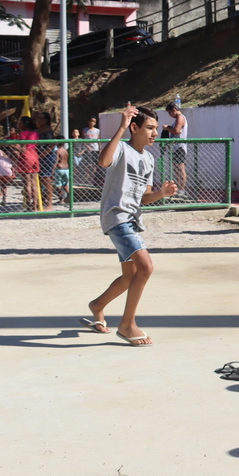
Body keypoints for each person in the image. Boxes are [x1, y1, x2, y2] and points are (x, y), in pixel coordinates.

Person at [84, 103, 178, 346]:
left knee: (131, 275)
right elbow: (103, 161)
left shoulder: (148, 158)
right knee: (146, 267)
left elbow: (144, 197)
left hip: (133, 219)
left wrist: (161, 193)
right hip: (117, 217)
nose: (154, 133)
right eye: (149, 128)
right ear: (134, 128)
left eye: (156, 128)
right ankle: (127, 324)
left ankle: (97, 305)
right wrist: (121, 127)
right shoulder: (122, 150)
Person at [13, 115, 40, 211]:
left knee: (27, 183)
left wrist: (11, 145)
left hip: (26, 157)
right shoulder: (35, 133)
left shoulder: (23, 134)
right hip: (34, 155)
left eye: (20, 123)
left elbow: (22, 148)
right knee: (34, 183)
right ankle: (35, 205)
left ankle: (29, 204)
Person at [163, 102, 188, 196]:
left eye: (170, 112)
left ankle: (182, 189)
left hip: (179, 147)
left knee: (180, 169)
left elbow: (177, 131)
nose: (170, 115)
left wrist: (167, 128)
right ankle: (180, 189)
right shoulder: (178, 119)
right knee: (177, 169)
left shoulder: (180, 118)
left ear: (173, 110)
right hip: (176, 148)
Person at [35, 110, 56, 209]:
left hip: (47, 157)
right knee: (39, 179)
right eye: (37, 118)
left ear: (46, 120)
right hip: (38, 156)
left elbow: (51, 145)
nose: (38, 120)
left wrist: (41, 155)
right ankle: (41, 200)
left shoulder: (47, 130)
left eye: (41, 118)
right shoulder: (37, 129)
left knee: (46, 179)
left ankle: (49, 203)